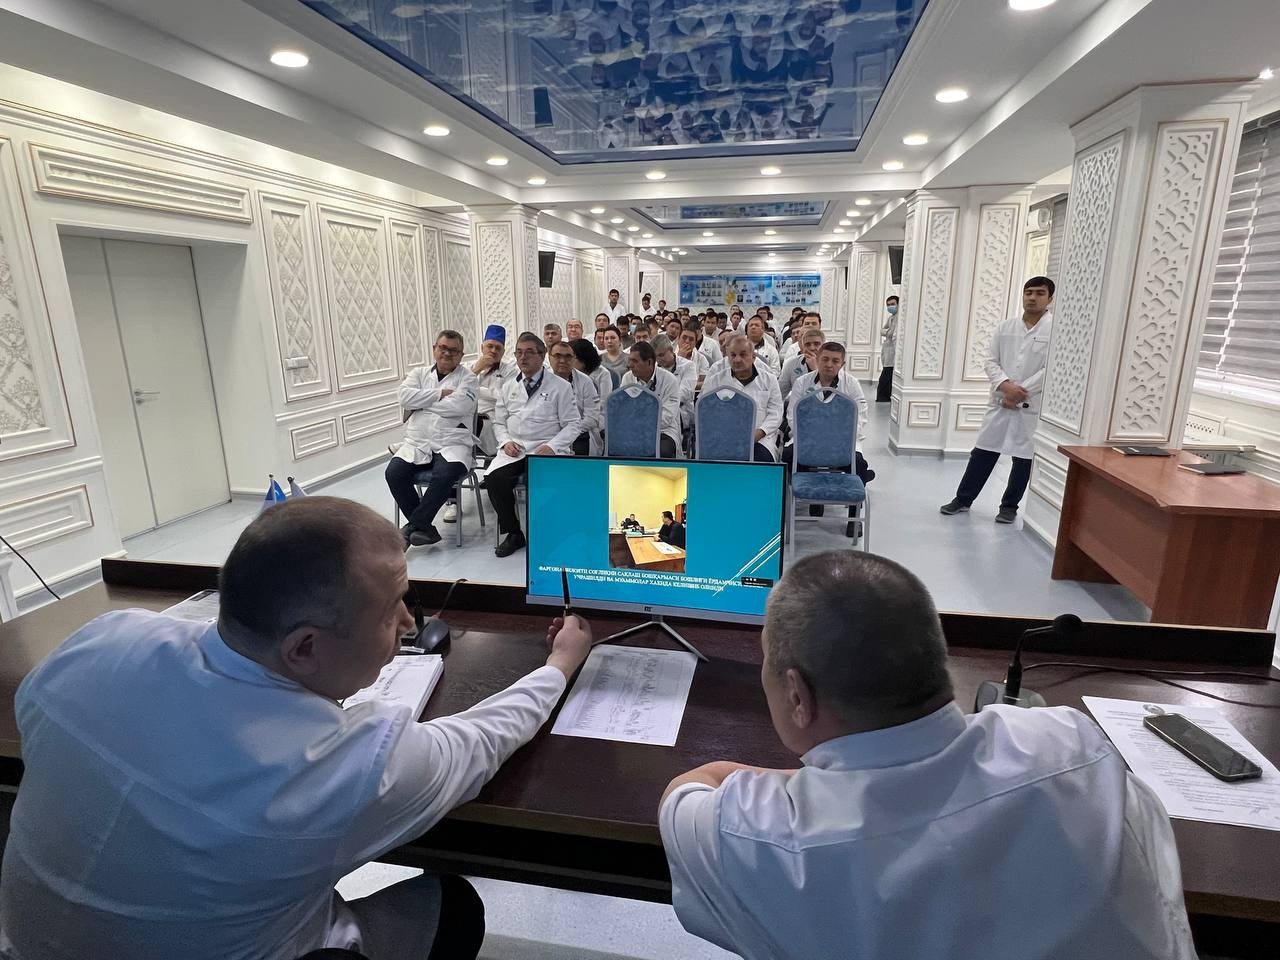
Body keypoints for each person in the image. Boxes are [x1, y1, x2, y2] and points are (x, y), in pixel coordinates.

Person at [0, 496, 600, 960]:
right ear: (305, 647)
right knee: (455, 905)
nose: (408, 622)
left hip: (28, 946)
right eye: (392, 607)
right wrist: (560, 664)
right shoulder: (345, 765)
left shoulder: (99, 641)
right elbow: (482, 739)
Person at [659, 550, 1196, 960]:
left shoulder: (765, 837)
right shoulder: (1073, 744)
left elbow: (688, 792)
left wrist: (798, 786)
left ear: (798, 697)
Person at [941, 277, 1055, 524]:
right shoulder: (1006, 327)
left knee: (1023, 459)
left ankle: (1009, 507)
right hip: (1001, 400)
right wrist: (1006, 386)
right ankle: (963, 499)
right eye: (1028, 292)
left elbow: (1050, 368)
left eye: (1039, 293)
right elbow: (991, 361)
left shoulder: (1054, 330)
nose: (1032, 298)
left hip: (1030, 404)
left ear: (1050, 299)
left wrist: (1020, 392)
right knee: (983, 452)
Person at [488, 333, 581, 557]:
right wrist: (506, 441)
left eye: (529, 352)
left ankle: (545, 533)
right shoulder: (508, 386)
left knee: (539, 481)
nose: (523, 357)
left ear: (542, 355)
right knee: (494, 480)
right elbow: (498, 422)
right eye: (519, 353)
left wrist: (553, 446)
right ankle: (514, 534)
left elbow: (573, 424)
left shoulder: (560, 386)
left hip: (546, 449)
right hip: (516, 449)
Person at [386, 330, 478, 547]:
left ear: (461, 354)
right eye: (443, 348)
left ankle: (413, 527)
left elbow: (460, 406)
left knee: (444, 475)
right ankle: (424, 528)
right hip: (417, 443)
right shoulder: (418, 373)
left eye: (454, 350)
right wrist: (439, 394)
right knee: (394, 473)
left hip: (452, 443)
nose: (447, 353)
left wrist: (421, 403)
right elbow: (404, 397)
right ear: (434, 348)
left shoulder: (468, 378)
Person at [786, 342, 872, 538]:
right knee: (789, 457)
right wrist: (814, 437)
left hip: (843, 441)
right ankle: (807, 501)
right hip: (808, 439)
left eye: (835, 361)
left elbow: (861, 416)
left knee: (858, 464)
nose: (829, 365)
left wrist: (837, 438)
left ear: (842, 364)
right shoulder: (802, 383)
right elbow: (792, 415)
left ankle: (854, 517)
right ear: (817, 359)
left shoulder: (851, 384)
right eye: (825, 359)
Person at [701, 334, 783, 462]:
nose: (737, 359)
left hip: (760, 438)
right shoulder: (716, 381)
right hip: (723, 437)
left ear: (753, 357)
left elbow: (776, 412)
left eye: (743, 355)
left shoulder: (769, 380)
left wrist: (760, 432)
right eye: (733, 355)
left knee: (762, 459)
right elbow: (705, 411)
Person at [619, 340, 682, 459]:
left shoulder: (669, 380)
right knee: (617, 449)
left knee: (663, 451)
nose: (630, 365)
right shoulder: (627, 378)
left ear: (649, 362)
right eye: (630, 360)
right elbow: (624, 411)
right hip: (634, 431)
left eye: (635, 361)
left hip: (663, 432)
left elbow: (667, 417)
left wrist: (641, 423)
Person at [549, 339, 602, 456]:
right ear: (549, 357)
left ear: (574, 359)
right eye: (557, 356)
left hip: (580, 436)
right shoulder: (542, 381)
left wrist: (568, 432)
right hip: (548, 436)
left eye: (568, 357)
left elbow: (592, 418)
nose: (562, 360)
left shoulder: (585, 381)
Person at [470, 324, 516, 456]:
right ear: (482, 348)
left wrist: (475, 389)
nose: (493, 351)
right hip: (467, 416)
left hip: (493, 418)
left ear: (503, 352)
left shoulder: (510, 371)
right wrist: (476, 370)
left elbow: (504, 396)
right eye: (490, 346)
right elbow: (457, 390)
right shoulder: (468, 367)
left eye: (498, 348)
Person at [654, 334, 697, 440]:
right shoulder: (654, 369)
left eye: (661, 355)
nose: (659, 359)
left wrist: (665, 403)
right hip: (657, 411)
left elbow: (685, 392)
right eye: (656, 356)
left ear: (671, 350)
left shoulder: (688, 366)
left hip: (682, 411)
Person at [570, 337, 613, 420]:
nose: (569, 361)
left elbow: (603, 404)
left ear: (583, 358)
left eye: (572, 358)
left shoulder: (603, 374)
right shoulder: (570, 373)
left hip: (596, 417)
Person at [876, 295, 899, 402]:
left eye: (893, 304)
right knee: (887, 374)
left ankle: (883, 398)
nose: (890, 307)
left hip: (893, 351)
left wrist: (887, 332)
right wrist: (888, 332)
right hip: (887, 350)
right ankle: (883, 397)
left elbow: (892, 334)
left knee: (886, 376)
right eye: (888, 305)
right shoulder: (891, 318)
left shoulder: (899, 318)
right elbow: (883, 331)